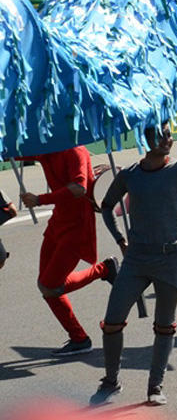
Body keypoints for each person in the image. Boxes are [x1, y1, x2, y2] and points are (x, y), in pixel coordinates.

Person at [92, 124, 177, 406]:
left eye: (170, 134)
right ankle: (111, 381)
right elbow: (107, 206)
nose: (168, 139)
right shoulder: (129, 175)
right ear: (143, 139)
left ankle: (155, 386)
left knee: (164, 326)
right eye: (161, 134)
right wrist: (121, 240)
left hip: (170, 259)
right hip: (135, 259)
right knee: (111, 322)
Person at [17, 147, 117, 356]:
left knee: (49, 286)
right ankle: (79, 337)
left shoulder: (74, 150)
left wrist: (39, 200)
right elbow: (18, 152)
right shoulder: (46, 147)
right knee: (45, 285)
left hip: (77, 227)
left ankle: (80, 337)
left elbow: (79, 188)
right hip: (58, 223)